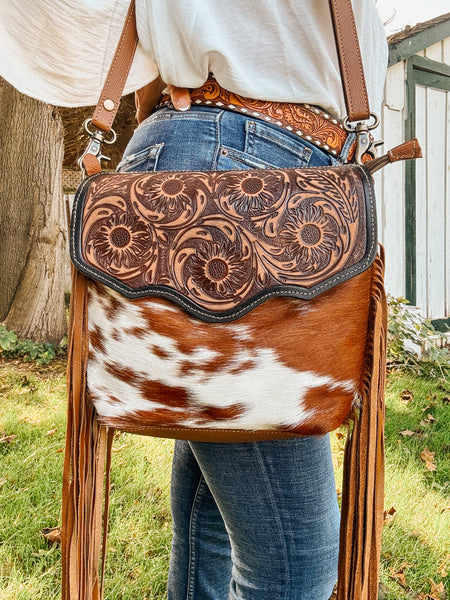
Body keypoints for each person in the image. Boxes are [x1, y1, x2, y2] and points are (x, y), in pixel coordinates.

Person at [0, 2, 388, 599]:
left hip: (227, 158)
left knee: (213, 524)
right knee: (296, 562)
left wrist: (160, 86)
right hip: (243, 173)